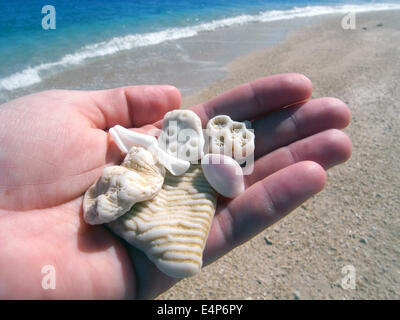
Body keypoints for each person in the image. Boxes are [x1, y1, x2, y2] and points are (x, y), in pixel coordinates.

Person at [0, 73, 352, 299]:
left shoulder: (195, 162)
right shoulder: (163, 159)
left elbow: (137, 143)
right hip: (157, 176)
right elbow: (130, 143)